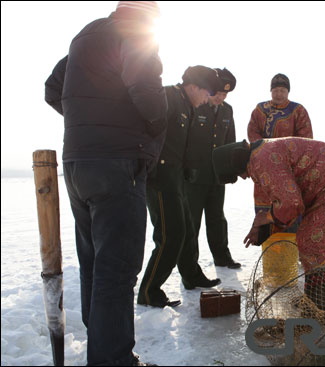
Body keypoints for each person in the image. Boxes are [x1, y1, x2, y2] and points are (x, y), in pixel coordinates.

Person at [44, 2, 166, 365]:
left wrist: (92, 121)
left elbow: (53, 89)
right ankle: (112, 359)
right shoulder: (136, 33)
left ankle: (102, 342)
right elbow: (146, 91)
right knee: (117, 269)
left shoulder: (86, 35)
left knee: (95, 264)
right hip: (118, 165)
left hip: (79, 164)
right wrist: (157, 125)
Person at [212, 138, 325, 310]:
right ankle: (313, 300)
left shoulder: (262, 160)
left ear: (237, 163)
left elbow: (291, 203)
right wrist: (265, 228)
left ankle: (317, 307)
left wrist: (266, 218)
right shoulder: (260, 153)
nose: (244, 178)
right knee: (310, 241)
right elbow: (284, 200)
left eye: (239, 174)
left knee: (313, 242)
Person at [138, 66, 222, 309]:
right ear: (193, 86)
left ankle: (191, 275)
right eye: (207, 93)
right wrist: (150, 167)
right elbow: (146, 131)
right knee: (169, 235)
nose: (207, 99)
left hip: (177, 177)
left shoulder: (186, 104)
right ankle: (149, 291)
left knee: (184, 229)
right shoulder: (166, 97)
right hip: (159, 176)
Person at [182, 68, 241, 269]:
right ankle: (190, 263)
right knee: (192, 221)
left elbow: (230, 141)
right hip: (194, 176)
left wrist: (231, 168)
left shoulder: (227, 110)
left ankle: (222, 257)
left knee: (217, 218)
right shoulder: (195, 107)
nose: (221, 98)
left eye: (225, 94)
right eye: (218, 93)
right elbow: (184, 141)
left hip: (217, 176)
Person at [247, 73, 314, 245]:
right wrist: (263, 149)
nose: (279, 94)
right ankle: (270, 251)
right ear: (271, 91)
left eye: (283, 90)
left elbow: (305, 139)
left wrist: (291, 159)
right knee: (265, 210)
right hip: (264, 169)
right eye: (276, 90)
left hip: (289, 169)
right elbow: (252, 131)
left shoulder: (298, 110)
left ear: (288, 91)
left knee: (290, 206)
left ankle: (292, 251)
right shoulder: (260, 110)